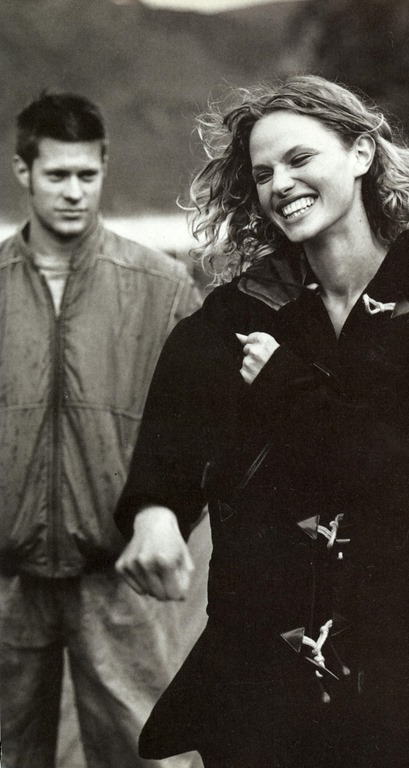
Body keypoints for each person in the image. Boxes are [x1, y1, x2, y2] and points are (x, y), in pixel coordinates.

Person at [115, 75, 409, 768]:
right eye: (263, 172)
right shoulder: (246, 307)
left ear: (361, 154)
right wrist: (154, 511)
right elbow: (180, 411)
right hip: (263, 638)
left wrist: (286, 387)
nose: (280, 184)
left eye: (299, 159)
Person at [0, 91, 204, 768]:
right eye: (57, 175)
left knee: (150, 753)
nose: (73, 192)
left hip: (118, 581)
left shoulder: (164, 287)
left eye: (87, 175)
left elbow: (200, 428)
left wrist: (168, 517)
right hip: (6, 582)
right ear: (23, 170)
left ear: (104, 167)